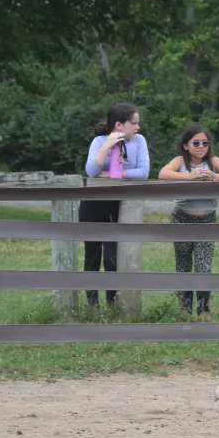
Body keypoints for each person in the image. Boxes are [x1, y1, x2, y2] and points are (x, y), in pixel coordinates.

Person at [157, 124, 219, 319]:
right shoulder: (180, 161)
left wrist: (215, 177)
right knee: (183, 264)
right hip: (182, 219)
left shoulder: (213, 162)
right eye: (196, 143)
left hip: (207, 220)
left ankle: (204, 309)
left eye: (205, 142)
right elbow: (163, 174)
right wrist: (189, 176)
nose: (201, 146)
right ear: (186, 145)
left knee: (204, 265)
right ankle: (184, 308)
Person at [81, 103, 150, 307]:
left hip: (118, 204)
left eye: (138, 123)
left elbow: (143, 172)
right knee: (92, 255)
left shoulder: (139, 142)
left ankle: (112, 303)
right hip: (94, 204)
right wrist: (107, 146)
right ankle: (93, 305)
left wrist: (115, 174)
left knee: (112, 258)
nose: (138, 127)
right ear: (119, 125)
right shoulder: (99, 141)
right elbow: (91, 171)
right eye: (134, 123)